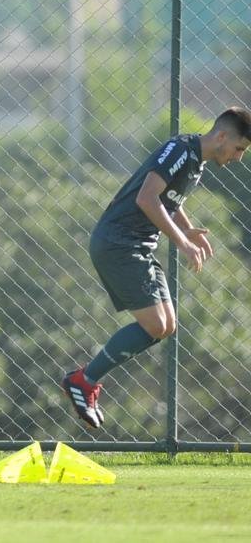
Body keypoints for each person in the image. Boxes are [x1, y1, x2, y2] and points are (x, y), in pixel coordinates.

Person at [62, 107, 251, 428]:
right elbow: (147, 198)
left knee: (165, 326)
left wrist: (187, 228)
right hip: (119, 242)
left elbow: (168, 200)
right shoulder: (180, 150)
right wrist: (182, 241)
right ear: (221, 136)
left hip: (136, 246)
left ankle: (85, 380)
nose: (239, 157)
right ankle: (83, 381)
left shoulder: (196, 161)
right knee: (155, 324)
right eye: (239, 148)